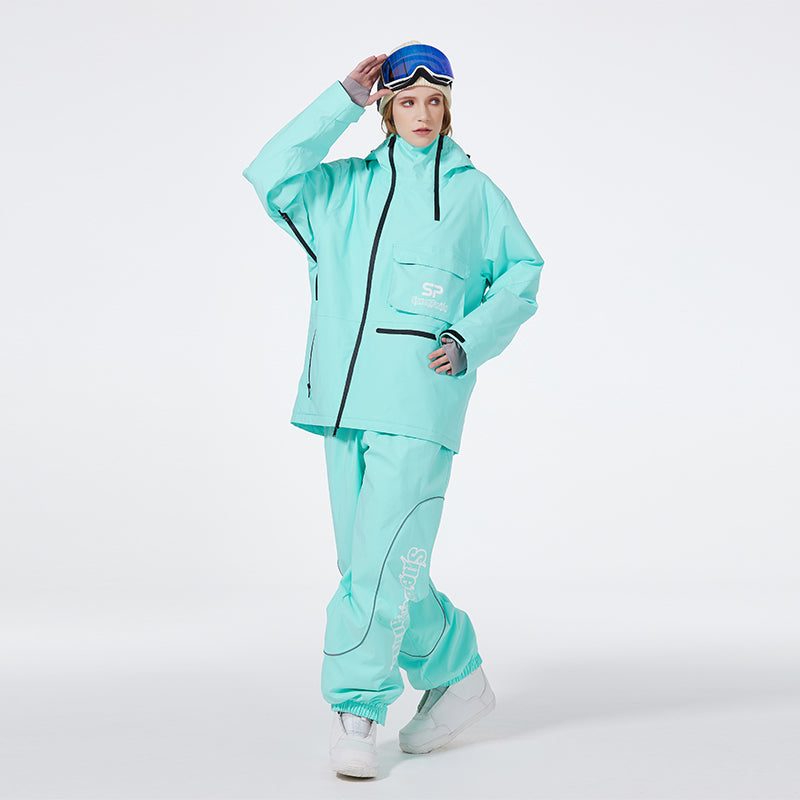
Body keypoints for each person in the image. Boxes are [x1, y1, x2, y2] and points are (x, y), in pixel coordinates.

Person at [243, 41, 544, 778]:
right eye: (407, 100)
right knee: (369, 566)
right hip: (340, 401)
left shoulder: (474, 194)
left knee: (379, 568)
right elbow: (271, 173)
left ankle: (358, 710)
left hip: (418, 402)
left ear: (449, 107)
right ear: (386, 108)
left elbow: (523, 274)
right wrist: (340, 100)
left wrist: (470, 338)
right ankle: (457, 672)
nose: (423, 113)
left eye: (435, 100)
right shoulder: (343, 187)